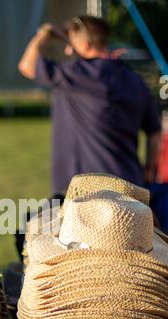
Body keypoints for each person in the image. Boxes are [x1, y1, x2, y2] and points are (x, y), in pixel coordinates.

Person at [18, 15, 161, 196]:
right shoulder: (135, 80)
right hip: (131, 189)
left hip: (84, 193)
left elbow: (27, 66)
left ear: (85, 45)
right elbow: (154, 134)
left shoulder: (80, 74)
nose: (69, 52)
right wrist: (148, 172)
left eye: (71, 44)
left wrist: (45, 33)